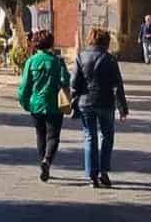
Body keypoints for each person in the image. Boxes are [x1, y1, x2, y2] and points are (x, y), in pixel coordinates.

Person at [71, 27, 129, 188]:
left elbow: (74, 83)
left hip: (86, 102)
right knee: (107, 136)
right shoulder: (110, 59)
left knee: (90, 137)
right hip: (106, 102)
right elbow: (118, 85)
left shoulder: (81, 57)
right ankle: (103, 171)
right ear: (106, 42)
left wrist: (74, 100)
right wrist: (122, 108)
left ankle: (92, 175)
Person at [17, 29, 70, 182]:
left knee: (40, 135)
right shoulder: (57, 61)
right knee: (53, 136)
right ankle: (47, 160)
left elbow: (25, 85)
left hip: (36, 104)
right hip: (54, 105)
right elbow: (66, 81)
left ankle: (43, 161)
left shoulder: (31, 61)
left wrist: (25, 102)